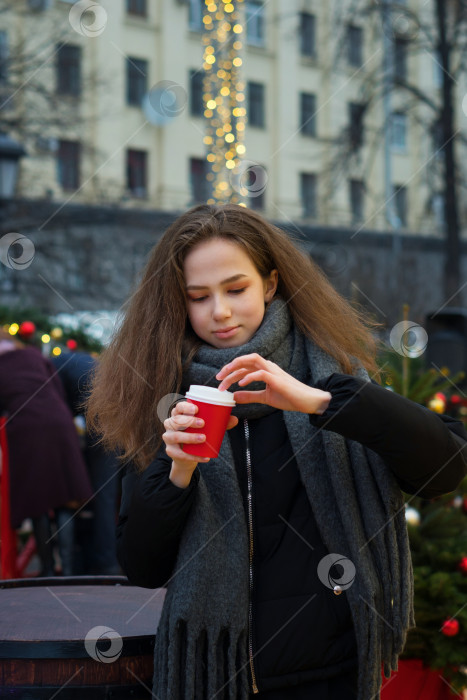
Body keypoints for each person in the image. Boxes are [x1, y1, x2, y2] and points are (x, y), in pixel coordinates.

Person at [86, 204, 467, 700]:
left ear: (270, 283)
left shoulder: (334, 373)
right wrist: (176, 469)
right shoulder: (160, 395)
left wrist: (320, 401)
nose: (219, 311)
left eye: (236, 289)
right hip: (216, 677)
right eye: (197, 297)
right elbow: (143, 567)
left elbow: (446, 468)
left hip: (331, 675)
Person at [0, 330, 93, 576]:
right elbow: (57, 389)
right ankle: (69, 571)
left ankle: (48, 571)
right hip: (59, 422)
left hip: (25, 428)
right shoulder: (33, 355)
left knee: (38, 502)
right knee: (65, 497)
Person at [52, 351, 121, 575]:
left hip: (103, 418)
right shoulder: (74, 360)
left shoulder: (51, 370)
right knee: (109, 494)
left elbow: (61, 414)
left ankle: (105, 561)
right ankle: (106, 558)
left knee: (103, 495)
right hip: (115, 414)